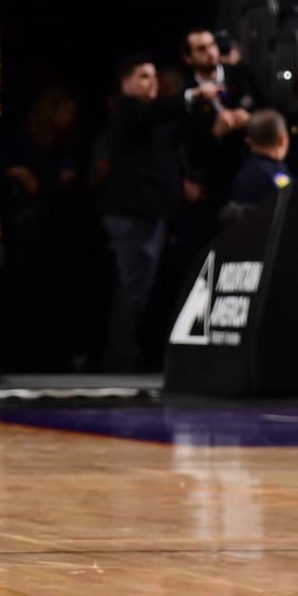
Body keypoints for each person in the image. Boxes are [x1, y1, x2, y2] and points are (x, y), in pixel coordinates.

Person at [91, 55, 181, 372]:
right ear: (126, 82)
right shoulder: (128, 109)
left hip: (147, 216)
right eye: (144, 76)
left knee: (138, 292)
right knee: (131, 291)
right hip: (131, 217)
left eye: (154, 76)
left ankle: (128, 355)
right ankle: (120, 358)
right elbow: (161, 111)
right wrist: (192, 96)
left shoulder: (149, 117)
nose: (152, 82)